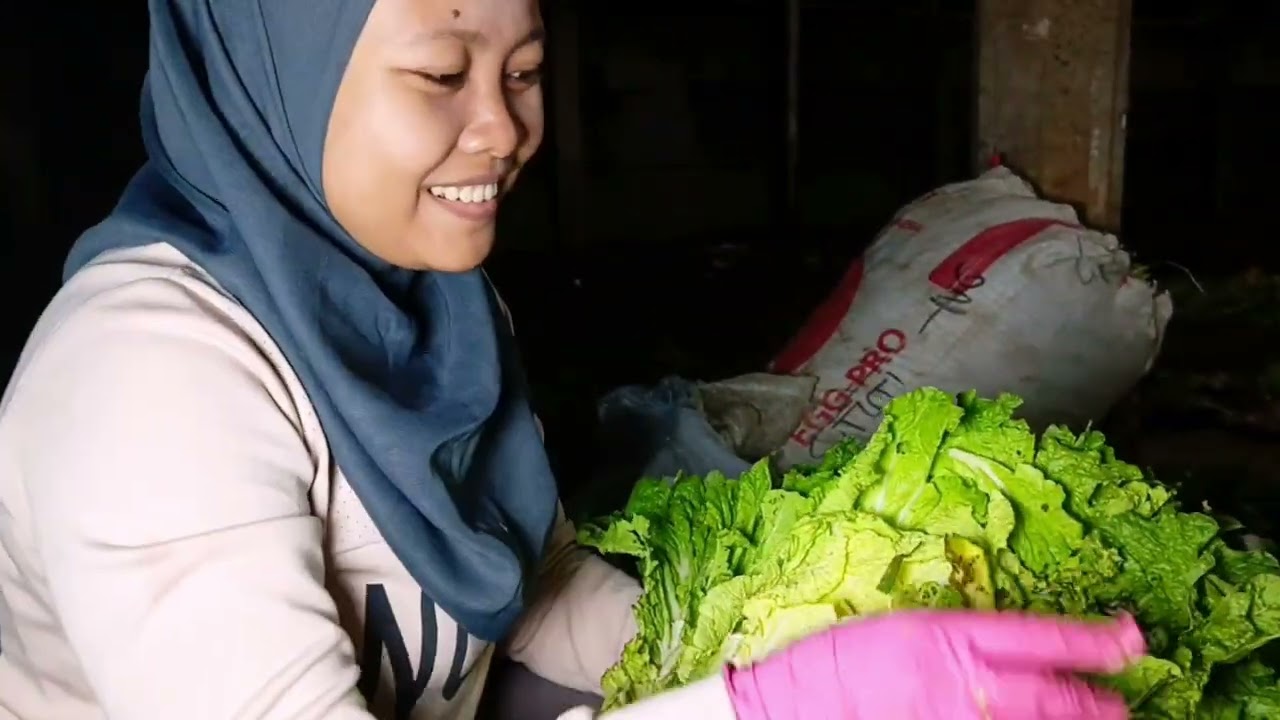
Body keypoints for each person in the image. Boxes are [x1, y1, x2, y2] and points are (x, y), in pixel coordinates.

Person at [0, 0, 1146, 718]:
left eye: (525, 68)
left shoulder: (439, 303)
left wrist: (772, 636)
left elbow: (532, 588)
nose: (502, 128)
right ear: (272, 88)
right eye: (442, 75)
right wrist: (752, 708)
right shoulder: (149, 379)